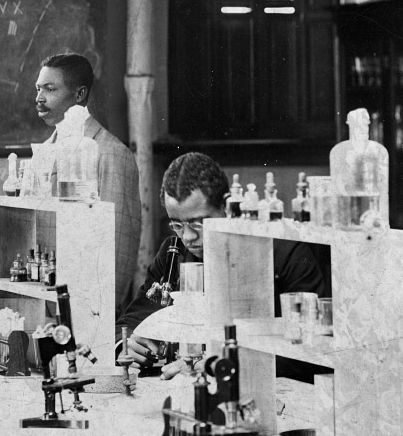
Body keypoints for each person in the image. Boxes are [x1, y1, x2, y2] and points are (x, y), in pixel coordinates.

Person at [117, 152, 330, 372]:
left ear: (227, 207)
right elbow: (130, 321)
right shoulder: (173, 252)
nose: (188, 237)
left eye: (198, 223)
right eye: (178, 225)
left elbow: (315, 351)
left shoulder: (284, 252)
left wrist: (218, 364)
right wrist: (125, 346)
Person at [36, 53, 142, 312]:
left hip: (90, 308)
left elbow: (120, 247)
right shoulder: (46, 150)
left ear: (80, 94)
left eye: (50, 89)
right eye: (38, 88)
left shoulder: (111, 153)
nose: (39, 98)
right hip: (47, 302)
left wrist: (103, 312)